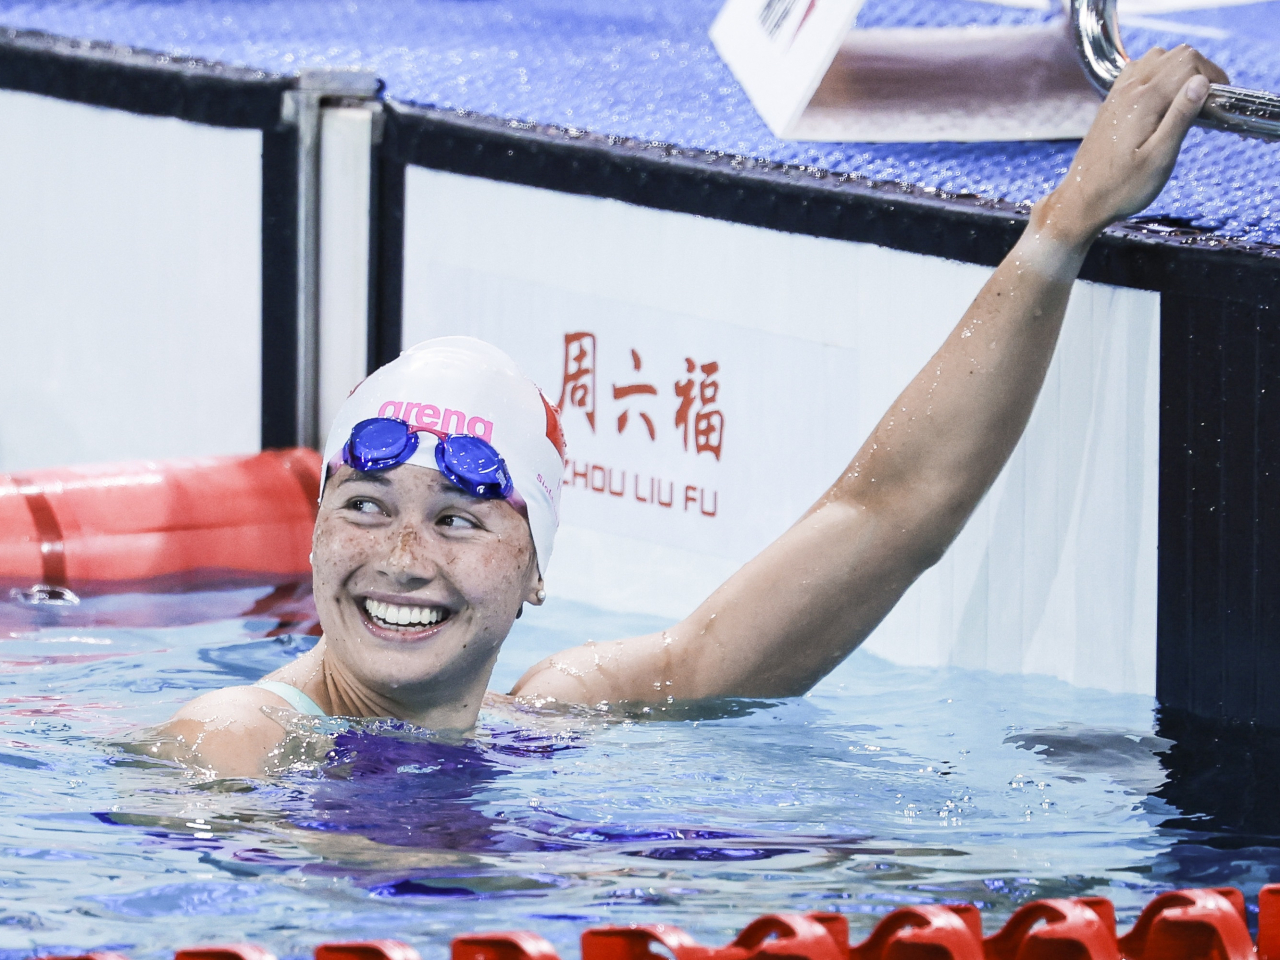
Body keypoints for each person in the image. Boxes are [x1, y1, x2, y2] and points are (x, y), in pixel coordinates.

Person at [157, 46, 1228, 777]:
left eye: (457, 517)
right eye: (364, 503)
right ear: (311, 532)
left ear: (536, 571)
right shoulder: (239, 743)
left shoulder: (558, 715)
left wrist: (1062, 224)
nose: (400, 554)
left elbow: (885, 518)